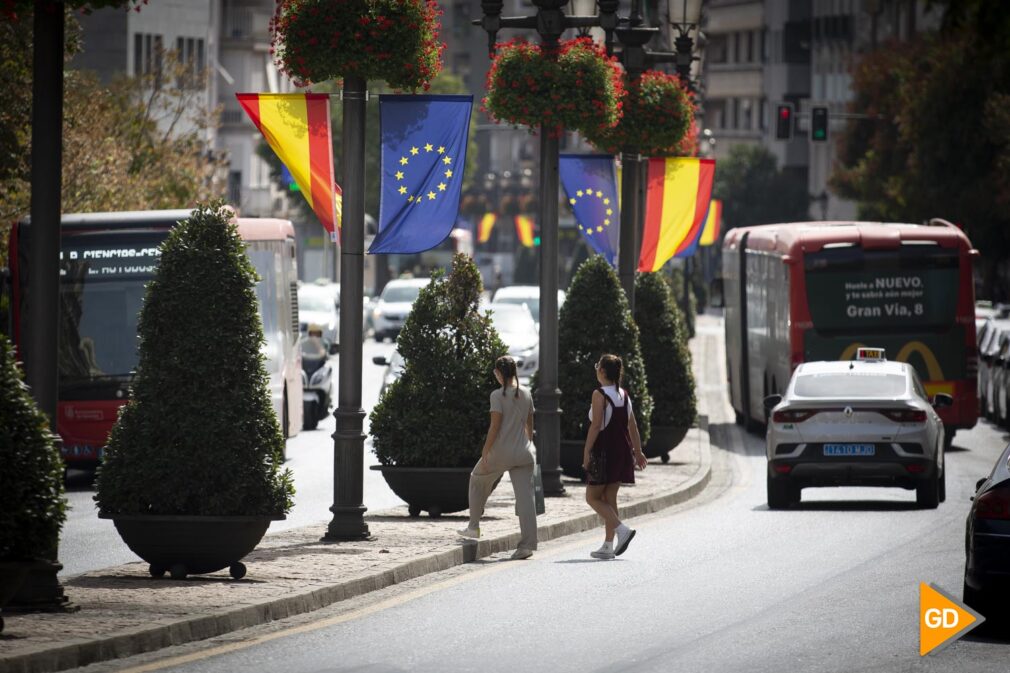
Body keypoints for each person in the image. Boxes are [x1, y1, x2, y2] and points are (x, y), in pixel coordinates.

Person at [458, 355, 538, 560]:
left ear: (498, 373)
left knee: (477, 478)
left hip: (501, 452)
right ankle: (527, 546)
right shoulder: (527, 393)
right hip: (524, 451)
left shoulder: (497, 395)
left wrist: (486, 450)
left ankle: (473, 527)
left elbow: (495, 426)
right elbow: (530, 427)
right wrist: (529, 445)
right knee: (526, 499)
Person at [582, 353, 647, 560]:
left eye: (597, 366)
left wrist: (586, 452)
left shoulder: (599, 394)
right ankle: (608, 545)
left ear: (602, 371)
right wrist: (638, 452)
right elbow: (633, 426)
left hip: (604, 451)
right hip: (621, 452)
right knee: (610, 498)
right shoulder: (623, 394)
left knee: (592, 497)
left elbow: (595, 425)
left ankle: (621, 530)